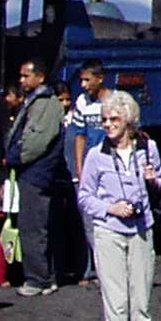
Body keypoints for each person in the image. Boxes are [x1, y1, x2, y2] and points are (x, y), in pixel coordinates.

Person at [76, 91, 161, 321]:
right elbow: (84, 196)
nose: (108, 124)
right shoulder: (96, 155)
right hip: (109, 231)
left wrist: (153, 180)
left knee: (141, 299)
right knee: (116, 300)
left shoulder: (148, 148)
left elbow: (160, 184)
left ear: (128, 120)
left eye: (114, 119)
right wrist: (109, 208)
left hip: (141, 229)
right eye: (104, 119)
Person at [2, 59, 66, 296]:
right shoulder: (34, 101)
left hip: (36, 174)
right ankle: (46, 277)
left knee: (33, 227)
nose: (22, 80)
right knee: (36, 226)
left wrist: (15, 157)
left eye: (26, 76)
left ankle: (38, 279)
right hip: (31, 173)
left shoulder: (45, 104)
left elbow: (36, 142)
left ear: (40, 77)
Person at [64, 60, 111, 284]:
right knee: (89, 222)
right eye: (81, 80)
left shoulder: (114, 101)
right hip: (90, 168)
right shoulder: (82, 102)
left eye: (87, 80)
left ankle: (109, 269)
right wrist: (80, 169)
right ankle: (95, 268)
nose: (83, 85)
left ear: (100, 79)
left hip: (109, 166)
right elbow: (80, 136)